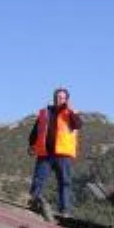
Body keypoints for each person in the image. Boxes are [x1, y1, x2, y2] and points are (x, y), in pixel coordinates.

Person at [27, 87, 82, 216]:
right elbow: (36, 131)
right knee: (38, 180)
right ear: (54, 98)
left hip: (63, 155)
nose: (60, 99)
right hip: (45, 153)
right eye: (58, 97)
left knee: (64, 182)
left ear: (67, 100)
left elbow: (78, 125)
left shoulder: (71, 113)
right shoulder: (45, 113)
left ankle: (65, 211)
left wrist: (70, 110)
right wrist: (31, 145)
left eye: (63, 97)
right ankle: (31, 203)